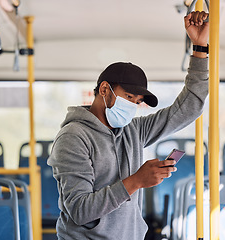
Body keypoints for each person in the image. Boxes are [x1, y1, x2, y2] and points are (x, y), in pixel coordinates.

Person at [48, 11, 209, 240]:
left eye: (138, 102)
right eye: (129, 97)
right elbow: (80, 210)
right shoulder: (73, 138)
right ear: (104, 90)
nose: (133, 106)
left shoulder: (132, 131)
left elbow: (189, 107)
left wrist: (200, 49)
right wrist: (135, 181)